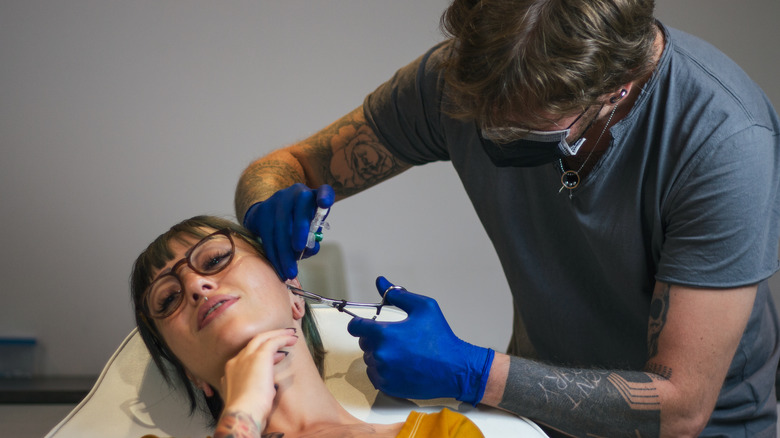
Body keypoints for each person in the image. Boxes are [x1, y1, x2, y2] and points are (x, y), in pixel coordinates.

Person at [234, 1, 780, 437]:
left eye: (524, 135)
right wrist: (268, 199)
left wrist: (471, 371)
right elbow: (289, 165)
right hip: (531, 415)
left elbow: (681, 409)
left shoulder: (725, 142)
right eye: (480, 118)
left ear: (616, 87)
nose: (490, 134)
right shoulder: (456, 82)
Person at [130, 215, 484, 438]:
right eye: (167, 299)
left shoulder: (443, 434)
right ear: (189, 373)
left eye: (215, 258)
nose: (195, 286)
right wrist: (244, 413)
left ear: (294, 291)